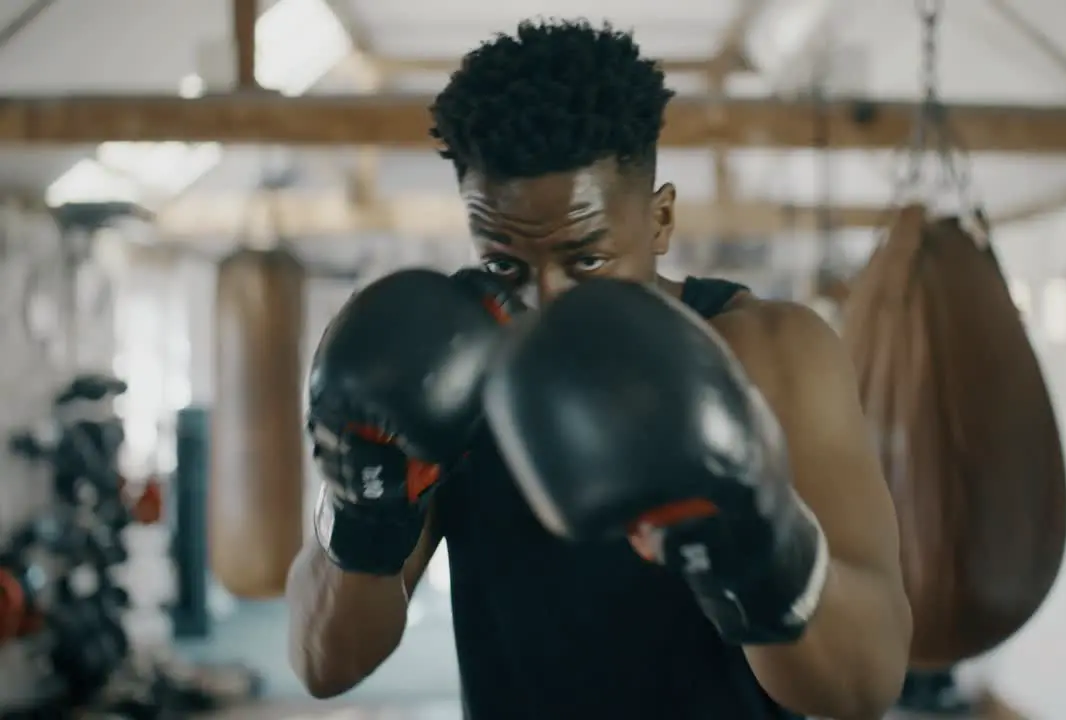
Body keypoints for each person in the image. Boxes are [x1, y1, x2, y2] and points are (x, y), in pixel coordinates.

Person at [286, 19, 911, 720]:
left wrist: (763, 546)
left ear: (661, 219)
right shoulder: (445, 367)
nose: (546, 302)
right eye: (505, 266)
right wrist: (360, 504)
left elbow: (863, 688)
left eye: (587, 261)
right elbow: (324, 664)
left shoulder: (772, 353)